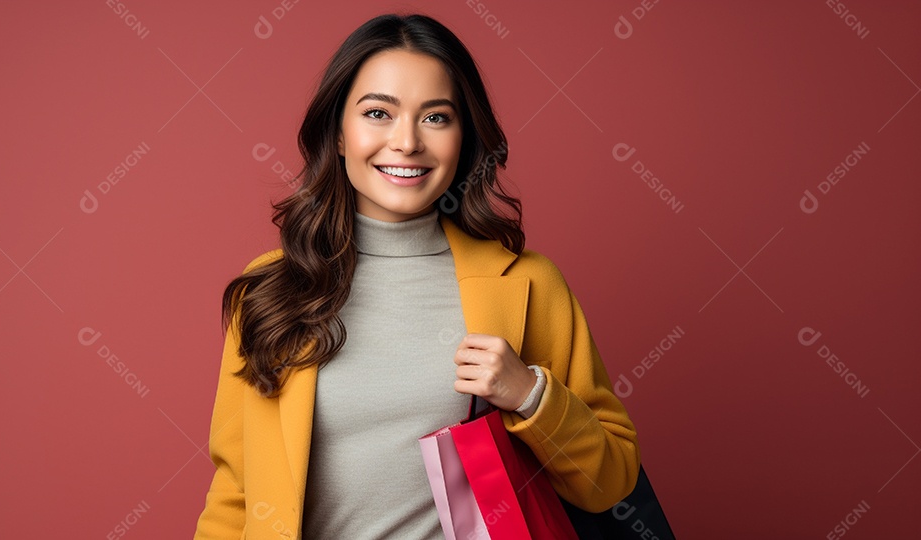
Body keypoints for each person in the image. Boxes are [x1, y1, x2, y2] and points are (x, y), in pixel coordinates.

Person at [194, 12, 640, 539]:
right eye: (378, 113)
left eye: (435, 117)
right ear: (338, 135)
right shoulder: (272, 289)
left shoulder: (525, 284)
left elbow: (609, 481)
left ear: (463, 138)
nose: (406, 142)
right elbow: (236, 493)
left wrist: (529, 394)